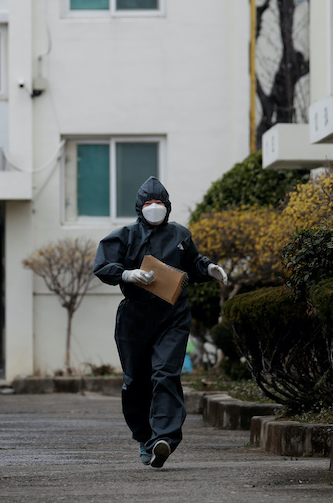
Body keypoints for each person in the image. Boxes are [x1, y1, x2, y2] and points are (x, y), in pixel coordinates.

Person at [93, 176, 228, 468]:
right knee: (136, 382)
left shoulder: (180, 234)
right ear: (139, 207)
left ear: (168, 206)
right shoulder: (125, 235)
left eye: (160, 203)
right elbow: (102, 265)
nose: (155, 208)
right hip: (135, 317)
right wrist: (127, 274)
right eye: (149, 203)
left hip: (173, 314)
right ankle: (144, 437)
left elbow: (194, 262)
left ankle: (163, 439)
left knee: (165, 374)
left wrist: (210, 268)